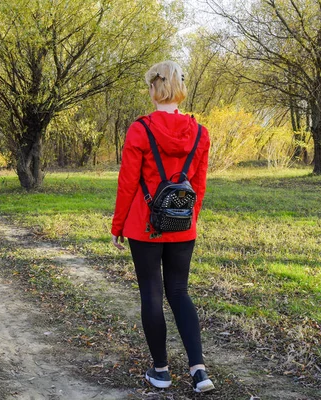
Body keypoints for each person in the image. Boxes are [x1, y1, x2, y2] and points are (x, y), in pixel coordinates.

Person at [111, 60, 214, 393]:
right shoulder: (200, 132)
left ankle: (161, 372)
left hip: (145, 225)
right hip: (183, 225)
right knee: (180, 292)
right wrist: (190, 219)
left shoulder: (140, 129)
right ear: (179, 88)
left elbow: (128, 182)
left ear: (155, 88)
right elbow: (198, 184)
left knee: (152, 295)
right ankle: (199, 371)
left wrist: (118, 225)